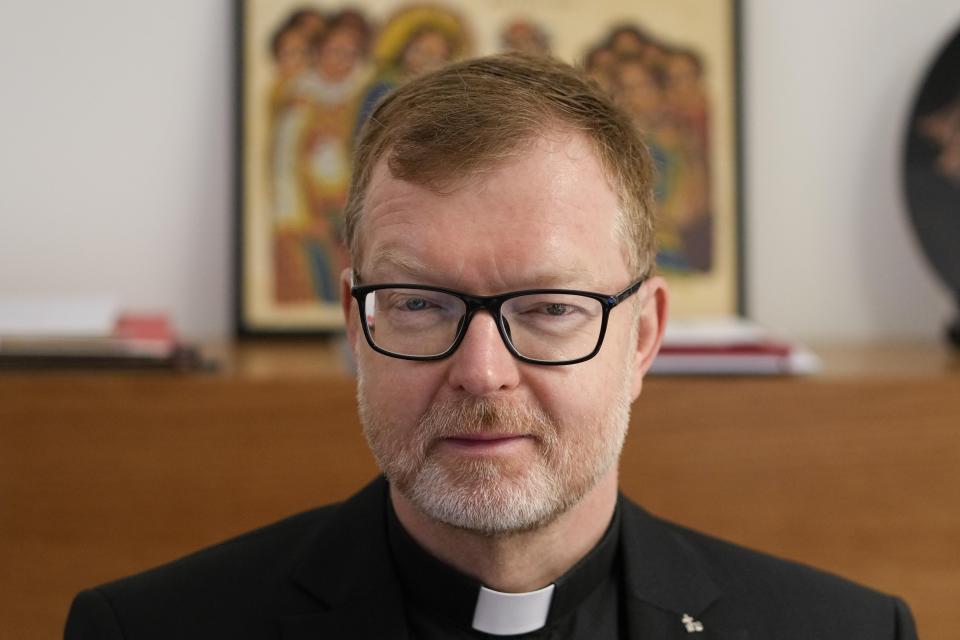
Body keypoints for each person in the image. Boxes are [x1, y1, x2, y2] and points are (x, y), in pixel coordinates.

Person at [64, 53, 917, 639]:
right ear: (357, 323)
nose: (480, 370)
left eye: (550, 307)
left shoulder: (847, 631)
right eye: (420, 304)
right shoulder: (143, 630)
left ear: (643, 337)